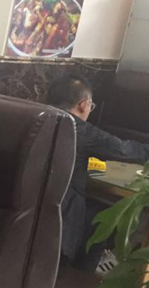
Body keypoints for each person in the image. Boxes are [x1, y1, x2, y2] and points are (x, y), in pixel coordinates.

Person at [48, 74, 149, 271]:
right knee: (103, 221)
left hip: (28, 211)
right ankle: (79, 276)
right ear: (84, 104)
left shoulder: (36, 116)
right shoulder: (79, 129)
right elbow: (124, 150)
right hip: (61, 216)